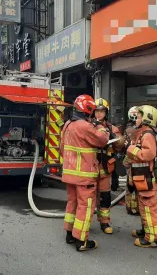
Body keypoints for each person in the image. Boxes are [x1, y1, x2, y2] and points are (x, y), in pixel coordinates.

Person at [61, 95, 109, 252]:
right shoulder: (85, 126)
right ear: (88, 110)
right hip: (84, 175)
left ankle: (69, 233)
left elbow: (62, 149)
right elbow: (102, 140)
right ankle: (81, 240)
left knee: (72, 203)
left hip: (70, 174)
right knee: (85, 207)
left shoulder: (68, 125)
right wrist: (100, 126)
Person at [124, 105, 157, 248]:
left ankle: (152, 238)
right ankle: (146, 231)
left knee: (148, 208)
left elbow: (147, 154)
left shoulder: (148, 135)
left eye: (140, 116)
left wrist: (130, 149)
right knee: (143, 207)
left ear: (147, 119)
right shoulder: (145, 133)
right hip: (143, 179)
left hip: (147, 179)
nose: (137, 119)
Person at [93, 98, 124, 234]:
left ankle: (104, 223)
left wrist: (114, 137)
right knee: (88, 198)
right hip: (91, 167)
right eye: (97, 111)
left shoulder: (112, 128)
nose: (99, 114)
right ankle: (84, 223)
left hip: (105, 168)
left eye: (102, 111)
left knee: (105, 196)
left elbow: (121, 144)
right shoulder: (88, 126)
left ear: (106, 113)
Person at [124, 106, 140, 216]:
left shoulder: (127, 129)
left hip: (129, 158)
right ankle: (136, 207)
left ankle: (130, 207)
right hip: (137, 159)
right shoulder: (140, 129)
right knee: (137, 184)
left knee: (129, 185)